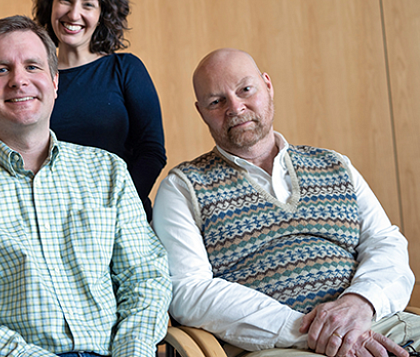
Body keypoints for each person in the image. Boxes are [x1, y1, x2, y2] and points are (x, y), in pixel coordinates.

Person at [0, 15, 171, 357]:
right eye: (1, 70)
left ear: (54, 81)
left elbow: (146, 279)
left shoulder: (107, 170)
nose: (19, 81)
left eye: (32, 67)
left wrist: (132, 352)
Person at [152, 48, 418, 357]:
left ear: (267, 85)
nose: (235, 107)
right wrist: (315, 333)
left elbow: (386, 243)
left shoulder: (334, 164)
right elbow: (189, 291)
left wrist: (360, 303)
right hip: (277, 345)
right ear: (201, 112)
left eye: (245, 89)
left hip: (374, 322)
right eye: (216, 101)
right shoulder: (183, 186)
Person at [32, 0, 166, 222]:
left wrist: (111, 207)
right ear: (51, 5)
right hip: (53, 221)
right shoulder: (36, 77)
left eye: (88, 4)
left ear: (102, 13)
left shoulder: (125, 69)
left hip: (122, 216)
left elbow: (151, 152)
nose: (74, 14)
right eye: (65, 0)